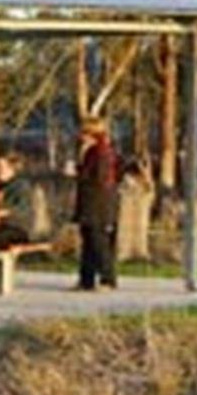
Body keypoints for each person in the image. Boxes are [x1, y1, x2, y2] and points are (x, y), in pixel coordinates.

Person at [75, 123, 121, 290]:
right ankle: (86, 280)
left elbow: (99, 178)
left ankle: (107, 278)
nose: (80, 137)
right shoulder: (93, 152)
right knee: (88, 241)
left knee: (98, 242)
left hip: (98, 205)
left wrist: (78, 174)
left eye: (83, 133)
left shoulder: (100, 152)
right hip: (92, 204)